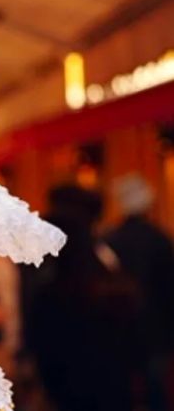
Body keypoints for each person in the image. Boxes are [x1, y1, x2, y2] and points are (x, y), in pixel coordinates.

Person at [23, 185, 141, 411]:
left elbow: (41, 348)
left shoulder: (51, 291)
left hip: (73, 391)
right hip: (112, 387)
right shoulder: (109, 281)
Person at [106, 174, 174, 411]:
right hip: (156, 328)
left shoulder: (110, 240)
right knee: (156, 390)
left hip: (121, 329)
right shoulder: (158, 239)